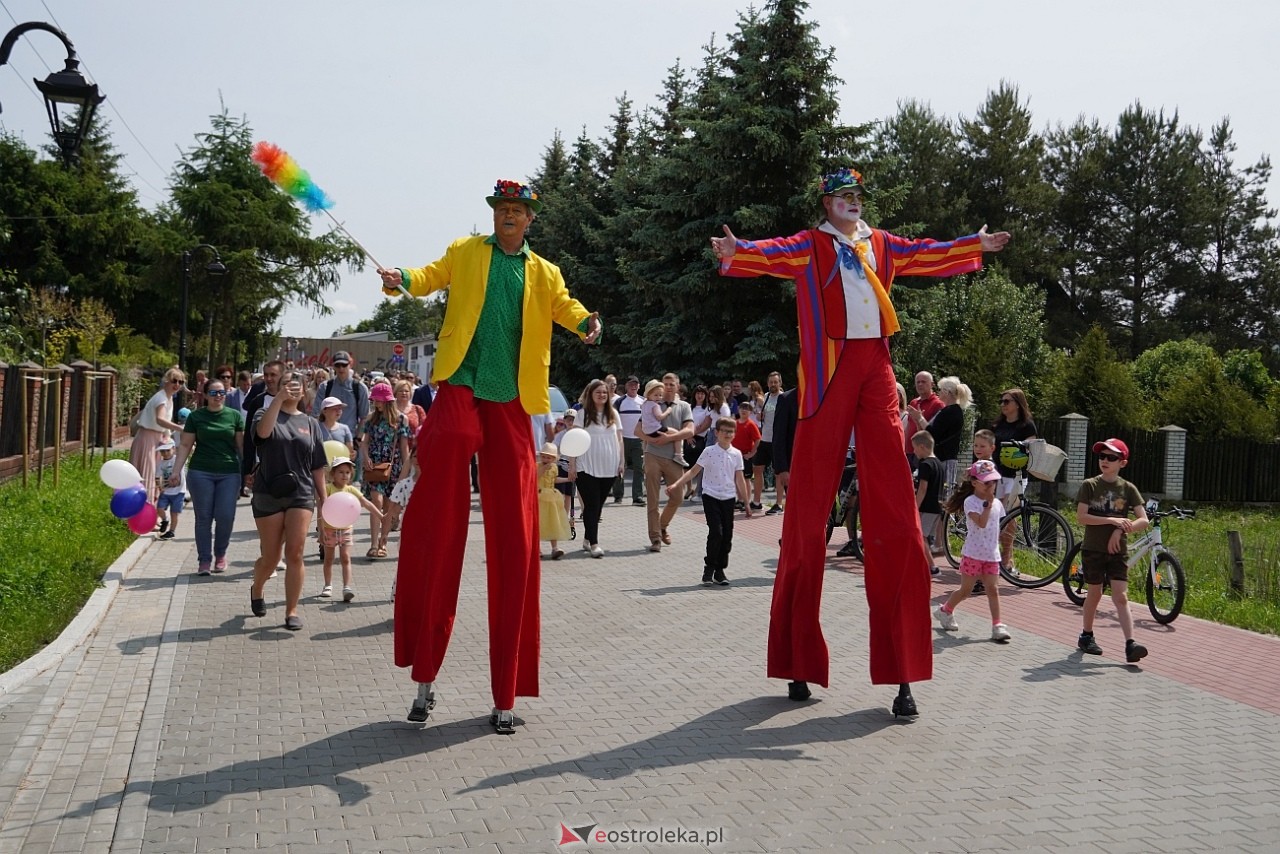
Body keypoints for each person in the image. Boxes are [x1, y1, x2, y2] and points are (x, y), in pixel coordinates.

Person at [711, 165, 1010, 715]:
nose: (851, 202)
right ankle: (798, 661)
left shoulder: (881, 244)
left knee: (895, 513)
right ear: (826, 203)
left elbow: (926, 252)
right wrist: (739, 249)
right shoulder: (811, 245)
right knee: (805, 515)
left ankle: (902, 674)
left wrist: (976, 245)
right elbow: (772, 253)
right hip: (828, 373)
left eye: (856, 195)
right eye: (842, 195)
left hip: (874, 367)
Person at [376, 178, 601, 734]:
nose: (508, 215)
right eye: (501, 208)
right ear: (494, 215)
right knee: (441, 515)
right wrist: (400, 279)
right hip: (460, 387)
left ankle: (506, 694)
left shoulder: (543, 271)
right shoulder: (466, 252)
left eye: (516, 210)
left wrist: (585, 322)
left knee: (516, 541)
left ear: (529, 220)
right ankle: (425, 679)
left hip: (512, 401)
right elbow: (427, 277)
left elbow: (566, 307)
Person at [248, 370, 328, 631]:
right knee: (271, 558)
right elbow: (262, 434)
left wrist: (324, 498)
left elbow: (317, 465)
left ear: (304, 391)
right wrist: (277, 401)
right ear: (276, 388)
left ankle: (291, 611)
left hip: (301, 493)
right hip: (268, 492)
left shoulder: (311, 423)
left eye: (296, 386)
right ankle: (257, 587)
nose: (291, 388)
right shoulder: (264, 413)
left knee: (295, 553)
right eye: (285, 385)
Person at [1075, 438, 1150, 663]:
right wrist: (1113, 521)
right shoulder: (1090, 485)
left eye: (1111, 457)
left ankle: (1130, 644)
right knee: (1095, 594)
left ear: (1122, 463)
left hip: (1118, 551)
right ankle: (1086, 635)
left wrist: (1122, 528)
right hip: (1093, 549)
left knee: (1121, 597)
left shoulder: (1128, 489)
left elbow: (1143, 520)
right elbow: (1081, 517)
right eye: (1102, 456)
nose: (1105, 460)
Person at [171, 377, 245, 574]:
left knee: (225, 516)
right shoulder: (196, 417)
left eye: (222, 392)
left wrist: (248, 472)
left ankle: (220, 554)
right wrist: (176, 471)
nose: (218, 396)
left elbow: (240, 446)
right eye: (213, 393)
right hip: (201, 471)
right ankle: (204, 560)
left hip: (229, 472)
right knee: (203, 518)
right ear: (205, 395)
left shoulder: (235, 416)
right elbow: (185, 445)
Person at [667, 416, 752, 587]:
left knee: (727, 535)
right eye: (724, 431)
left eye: (731, 431)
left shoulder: (736, 454)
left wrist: (747, 503)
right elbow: (693, 471)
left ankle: (720, 571)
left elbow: (740, 479)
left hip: (728, 498)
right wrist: (676, 484)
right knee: (716, 532)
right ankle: (709, 568)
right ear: (717, 432)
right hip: (711, 495)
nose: (728, 434)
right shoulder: (709, 452)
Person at [935, 460, 1011, 642]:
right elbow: (982, 523)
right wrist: (988, 506)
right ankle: (945, 610)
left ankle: (997, 625)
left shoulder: (998, 505)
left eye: (994, 482)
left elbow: (997, 528)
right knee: (966, 590)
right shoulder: (972, 502)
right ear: (975, 483)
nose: (991, 486)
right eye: (987, 482)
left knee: (993, 589)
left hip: (991, 555)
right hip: (973, 554)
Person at [639, 372, 695, 552]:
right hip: (653, 454)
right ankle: (655, 538)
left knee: (678, 497)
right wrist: (653, 440)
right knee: (653, 498)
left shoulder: (684, 406)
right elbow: (637, 430)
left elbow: (690, 431)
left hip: (674, 458)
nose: (668, 387)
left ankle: (662, 526)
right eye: (665, 384)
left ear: (678, 386)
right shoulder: (653, 403)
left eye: (672, 384)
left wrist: (671, 438)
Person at [358, 383, 413, 559]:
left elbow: (405, 448)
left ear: (386, 400)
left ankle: (383, 542)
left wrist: (406, 472)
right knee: (376, 500)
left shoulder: (401, 419)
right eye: (374, 400)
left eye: (378, 400)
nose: (375, 403)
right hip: (374, 466)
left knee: (389, 507)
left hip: (394, 466)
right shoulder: (370, 418)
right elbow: (364, 442)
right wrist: (365, 457)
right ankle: (373, 545)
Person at [320, 457, 385, 602]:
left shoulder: (351, 490)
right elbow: (321, 508)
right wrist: (320, 530)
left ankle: (346, 587)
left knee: (345, 557)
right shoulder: (328, 489)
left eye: (347, 472)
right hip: (329, 529)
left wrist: (381, 516)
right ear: (333, 474)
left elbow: (366, 503)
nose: (344, 475)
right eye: (341, 472)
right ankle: (328, 585)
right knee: (329, 558)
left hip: (345, 529)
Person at [573, 379, 624, 558]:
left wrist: (621, 462)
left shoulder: (614, 414)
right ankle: (594, 544)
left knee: (598, 505)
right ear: (590, 395)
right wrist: (572, 465)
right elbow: (574, 440)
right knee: (592, 504)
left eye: (604, 392)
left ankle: (587, 538)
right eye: (598, 392)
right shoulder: (582, 414)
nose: (602, 395)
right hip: (586, 466)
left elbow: (619, 439)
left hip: (609, 466)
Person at [993, 388, 1037, 574]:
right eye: (1002, 401)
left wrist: (1025, 446)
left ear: (1018, 404)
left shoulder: (1027, 426)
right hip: (997, 475)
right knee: (995, 515)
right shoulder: (998, 425)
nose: (1003, 405)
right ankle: (991, 555)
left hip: (1017, 477)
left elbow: (1033, 447)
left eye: (1007, 401)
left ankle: (1007, 557)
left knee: (1009, 515)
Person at [132, 369, 187, 507]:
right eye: (174, 381)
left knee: (156, 476)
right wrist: (180, 428)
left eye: (181, 382)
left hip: (157, 439)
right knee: (148, 476)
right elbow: (160, 419)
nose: (177, 385)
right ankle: (141, 512)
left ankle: (152, 512)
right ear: (166, 381)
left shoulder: (168, 399)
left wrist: (169, 440)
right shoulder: (161, 398)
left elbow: (164, 426)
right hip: (147, 438)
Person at [911, 432, 945, 578]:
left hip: (926, 507)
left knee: (921, 536)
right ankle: (922, 563)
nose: (914, 451)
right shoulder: (939, 463)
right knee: (924, 536)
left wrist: (915, 507)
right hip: (936, 507)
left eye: (915, 448)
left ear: (922, 446)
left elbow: (923, 488)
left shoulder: (925, 464)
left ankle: (932, 567)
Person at [756, 371, 787, 514]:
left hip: (777, 440)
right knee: (757, 468)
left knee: (778, 472)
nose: (773, 385)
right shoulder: (767, 397)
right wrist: (760, 415)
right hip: (765, 438)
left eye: (775, 382)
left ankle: (779, 504)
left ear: (780, 383)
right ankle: (756, 501)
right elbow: (763, 416)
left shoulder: (783, 398)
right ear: (767, 384)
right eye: (771, 382)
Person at [614, 375, 646, 505]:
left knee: (639, 468)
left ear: (639, 386)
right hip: (623, 439)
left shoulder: (644, 401)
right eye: (631, 384)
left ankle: (637, 496)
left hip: (639, 440)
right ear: (626, 386)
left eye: (636, 384)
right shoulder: (620, 402)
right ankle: (617, 495)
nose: (633, 386)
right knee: (620, 467)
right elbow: (613, 419)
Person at [537, 443, 571, 560]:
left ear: (554, 459)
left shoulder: (555, 468)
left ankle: (555, 548)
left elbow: (555, 479)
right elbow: (535, 476)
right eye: (544, 457)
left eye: (549, 457)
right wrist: (544, 467)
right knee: (539, 522)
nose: (546, 459)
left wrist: (567, 479)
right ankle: (537, 548)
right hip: (540, 496)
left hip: (552, 497)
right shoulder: (537, 466)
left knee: (553, 521)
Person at [730, 401, 761, 511]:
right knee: (737, 478)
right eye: (742, 408)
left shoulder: (751, 424)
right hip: (735, 455)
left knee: (746, 479)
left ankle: (747, 500)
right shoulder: (735, 423)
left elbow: (757, 439)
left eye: (747, 408)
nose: (744, 410)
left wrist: (752, 453)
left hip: (745, 455)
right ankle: (740, 500)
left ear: (750, 412)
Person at [154, 440, 184, 542]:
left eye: (167, 450)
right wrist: (160, 487)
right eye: (162, 451)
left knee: (174, 513)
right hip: (166, 491)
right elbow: (157, 477)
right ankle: (165, 520)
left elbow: (187, 450)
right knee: (160, 508)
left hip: (178, 491)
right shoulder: (161, 463)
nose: (165, 453)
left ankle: (172, 531)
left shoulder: (178, 460)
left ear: (173, 449)